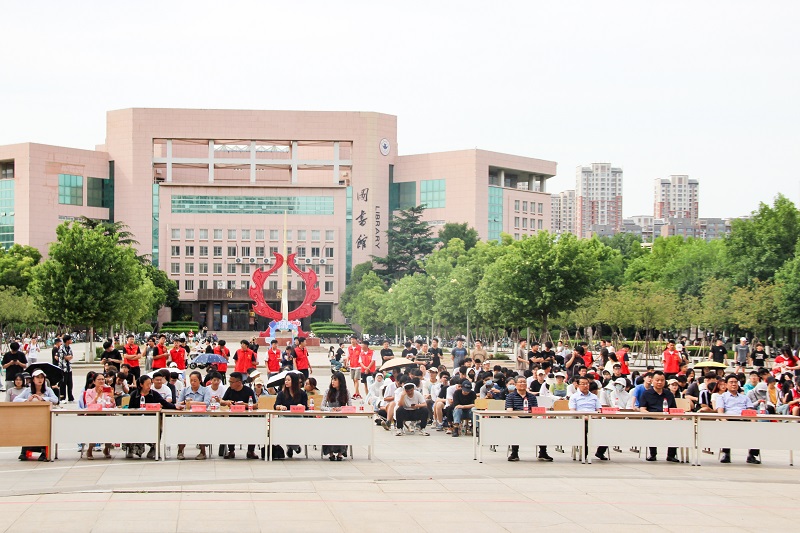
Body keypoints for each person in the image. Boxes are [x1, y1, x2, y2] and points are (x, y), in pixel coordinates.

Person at [126, 375, 176, 459]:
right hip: (137, 420)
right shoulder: (134, 394)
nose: (149, 386)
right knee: (130, 428)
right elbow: (130, 409)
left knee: (157, 429)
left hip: (151, 421)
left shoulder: (154, 394)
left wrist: (175, 406)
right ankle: (131, 449)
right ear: (141, 384)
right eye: (147, 384)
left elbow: (164, 403)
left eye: (150, 384)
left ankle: (153, 448)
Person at [14, 369, 58, 461]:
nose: (40, 379)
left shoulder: (48, 390)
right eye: (37, 377)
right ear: (33, 379)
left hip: (44, 418)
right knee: (28, 431)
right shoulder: (28, 390)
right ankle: (25, 450)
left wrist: (43, 399)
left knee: (44, 431)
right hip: (30, 418)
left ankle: (44, 451)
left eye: (42, 377)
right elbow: (16, 399)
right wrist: (27, 400)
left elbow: (55, 400)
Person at [505, 376, 552, 462]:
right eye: (520, 382)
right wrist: (519, 420)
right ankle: (514, 453)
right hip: (516, 420)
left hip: (530, 420)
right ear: (515, 384)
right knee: (514, 429)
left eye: (524, 382)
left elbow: (535, 410)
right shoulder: (510, 396)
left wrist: (532, 419)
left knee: (541, 428)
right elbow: (509, 411)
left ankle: (543, 453)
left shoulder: (531, 397)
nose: (523, 384)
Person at [717, 374, 760, 464]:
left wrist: (753, 422)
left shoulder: (745, 397)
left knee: (756, 429)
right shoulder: (722, 397)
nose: (734, 384)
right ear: (726, 385)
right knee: (725, 428)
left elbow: (750, 410)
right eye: (731, 382)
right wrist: (724, 421)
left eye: (735, 382)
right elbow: (720, 411)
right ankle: (726, 454)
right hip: (729, 420)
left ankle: (752, 455)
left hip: (744, 419)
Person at [639, 371, 678, 462]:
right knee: (650, 427)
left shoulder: (669, 394)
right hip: (652, 419)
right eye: (657, 380)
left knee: (676, 426)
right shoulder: (646, 393)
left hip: (667, 419)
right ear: (652, 380)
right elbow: (642, 409)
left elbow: (673, 410)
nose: (659, 382)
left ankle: (671, 455)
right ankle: (653, 454)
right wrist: (655, 417)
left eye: (662, 380)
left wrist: (667, 417)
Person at [220, 372, 259, 459]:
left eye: (232, 382)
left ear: (239, 382)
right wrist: (227, 402)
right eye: (229, 382)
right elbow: (222, 401)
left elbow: (255, 405)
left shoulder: (248, 390)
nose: (230, 384)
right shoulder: (230, 390)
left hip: (247, 418)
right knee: (229, 430)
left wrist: (245, 405)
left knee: (253, 429)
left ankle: (251, 451)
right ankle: (231, 451)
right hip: (233, 417)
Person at [569, 376, 606, 460]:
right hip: (581, 420)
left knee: (608, 429)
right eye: (583, 384)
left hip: (594, 418)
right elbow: (573, 411)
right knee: (584, 430)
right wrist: (585, 417)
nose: (585, 386)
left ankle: (600, 452)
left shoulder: (594, 397)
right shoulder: (574, 397)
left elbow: (599, 410)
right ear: (577, 385)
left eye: (587, 384)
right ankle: (584, 454)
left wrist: (596, 416)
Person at [274, 372, 308, 458]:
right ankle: (295, 446)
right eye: (285, 380)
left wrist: (301, 406)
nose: (286, 382)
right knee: (285, 426)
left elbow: (306, 407)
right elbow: (275, 406)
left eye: (289, 380)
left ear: (294, 381)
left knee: (295, 426)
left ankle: (290, 446)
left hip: (297, 417)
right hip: (285, 417)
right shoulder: (281, 393)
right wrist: (280, 407)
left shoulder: (302, 393)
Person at [321, 371, 352, 461]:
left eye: (335, 380)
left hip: (341, 417)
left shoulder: (346, 392)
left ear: (340, 381)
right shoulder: (328, 391)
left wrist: (341, 409)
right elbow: (322, 407)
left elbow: (350, 407)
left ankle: (340, 453)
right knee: (328, 430)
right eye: (332, 380)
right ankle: (330, 453)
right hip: (330, 416)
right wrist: (330, 409)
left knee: (343, 430)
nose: (332, 382)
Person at [83, 373, 114, 459]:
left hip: (105, 415)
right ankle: (90, 449)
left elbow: (112, 405)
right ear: (94, 382)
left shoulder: (107, 390)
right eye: (99, 379)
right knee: (94, 428)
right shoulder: (89, 392)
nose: (101, 381)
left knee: (110, 426)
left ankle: (107, 448)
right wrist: (97, 396)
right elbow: (89, 405)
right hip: (93, 416)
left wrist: (112, 398)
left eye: (103, 379)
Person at [58, 334, 75, 401]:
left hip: (69, 368)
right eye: (70, 339)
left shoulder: (69, 348)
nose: (71, 340)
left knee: (70, 383)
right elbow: (64, 357)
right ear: (67, 340)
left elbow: (71, 356)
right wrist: (68, 357)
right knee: (63, 383)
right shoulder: (61, 348)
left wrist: (68, 357)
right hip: (63, 368)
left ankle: (70, 397)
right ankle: (63, 397)